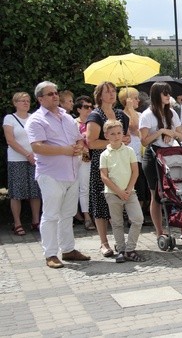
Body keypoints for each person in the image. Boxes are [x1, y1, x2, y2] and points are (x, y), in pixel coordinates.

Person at [26, 81, 91, 269]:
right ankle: (50, 254)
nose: (55, 96)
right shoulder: (36, 119)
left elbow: (78, 138)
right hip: (51, 174)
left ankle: (68, 249)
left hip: (71, 172)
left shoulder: (67, 116)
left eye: (55, 93)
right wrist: (64, 149)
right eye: (50, 94)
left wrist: (79, 145)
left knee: (68, 214)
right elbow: (36, 146)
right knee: (51, 215)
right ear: (40, 98)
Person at [86, 81, 130, 257]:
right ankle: (103, 243)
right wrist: (112, 142)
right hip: (103, 162)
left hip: (120, 162)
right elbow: (91, 142)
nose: (112, 94)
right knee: (101, 202)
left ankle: (119, 241)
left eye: (114, 91)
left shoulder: (121, 114)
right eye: (107, 91)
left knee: (118, 203)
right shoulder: (95, 115)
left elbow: (127, 134)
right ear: (99, 95)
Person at [139, 82, 182, 237]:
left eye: (168, 93)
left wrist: (170, 133)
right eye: (165, 93)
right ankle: (159, 231)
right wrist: (161, 131)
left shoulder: (171, 113)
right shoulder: (147, 115)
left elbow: (181, 134)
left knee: (176, 190)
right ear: (156, 95)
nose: (168, 96)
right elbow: (144, 141)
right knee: (156, 195)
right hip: (153, 156)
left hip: (169, 155)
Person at [100, 120, 145, 263]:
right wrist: (119, 191)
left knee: (138, 219)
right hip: (112, 193)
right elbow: (104, 176)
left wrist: (128, 189)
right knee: (117, 223)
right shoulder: (105, 154)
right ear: (106, 135)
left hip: (130, 192)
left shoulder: (129, 151)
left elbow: (135, 171)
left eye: (119, 133)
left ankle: (130, 249)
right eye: (112, 134)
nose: (116, 136)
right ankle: (121, 249)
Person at [3, 92, 41, 235]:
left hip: (35, 158)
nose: (26, 103)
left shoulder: (33, 118)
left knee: (35, 191)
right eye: (22, 101)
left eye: (28, 100)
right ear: (15, 103)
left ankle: (35, 221)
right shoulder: (9, 118)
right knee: (17, 193)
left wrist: (35, 155)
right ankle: (17, 223)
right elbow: (10, 140)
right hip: (17, 160)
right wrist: (27, 154)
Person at [118, 87, 148, 212]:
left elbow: (139, 130)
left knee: (141, 186)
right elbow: (134, 126)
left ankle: (138, 212)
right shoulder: (120, 115)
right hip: (127, 156)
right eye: (135, 98)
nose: (138, 101)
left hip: (139, 155)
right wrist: (129, 109)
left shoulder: (140, 114)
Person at [72, 95, 96, 230]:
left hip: (96, 156)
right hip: (83, 158)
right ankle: (87, 217)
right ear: (78, 109)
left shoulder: (94, 121)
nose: (90, 109)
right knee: (84, 188)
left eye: (91, 106)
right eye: (86, 107)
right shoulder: (74, 123)